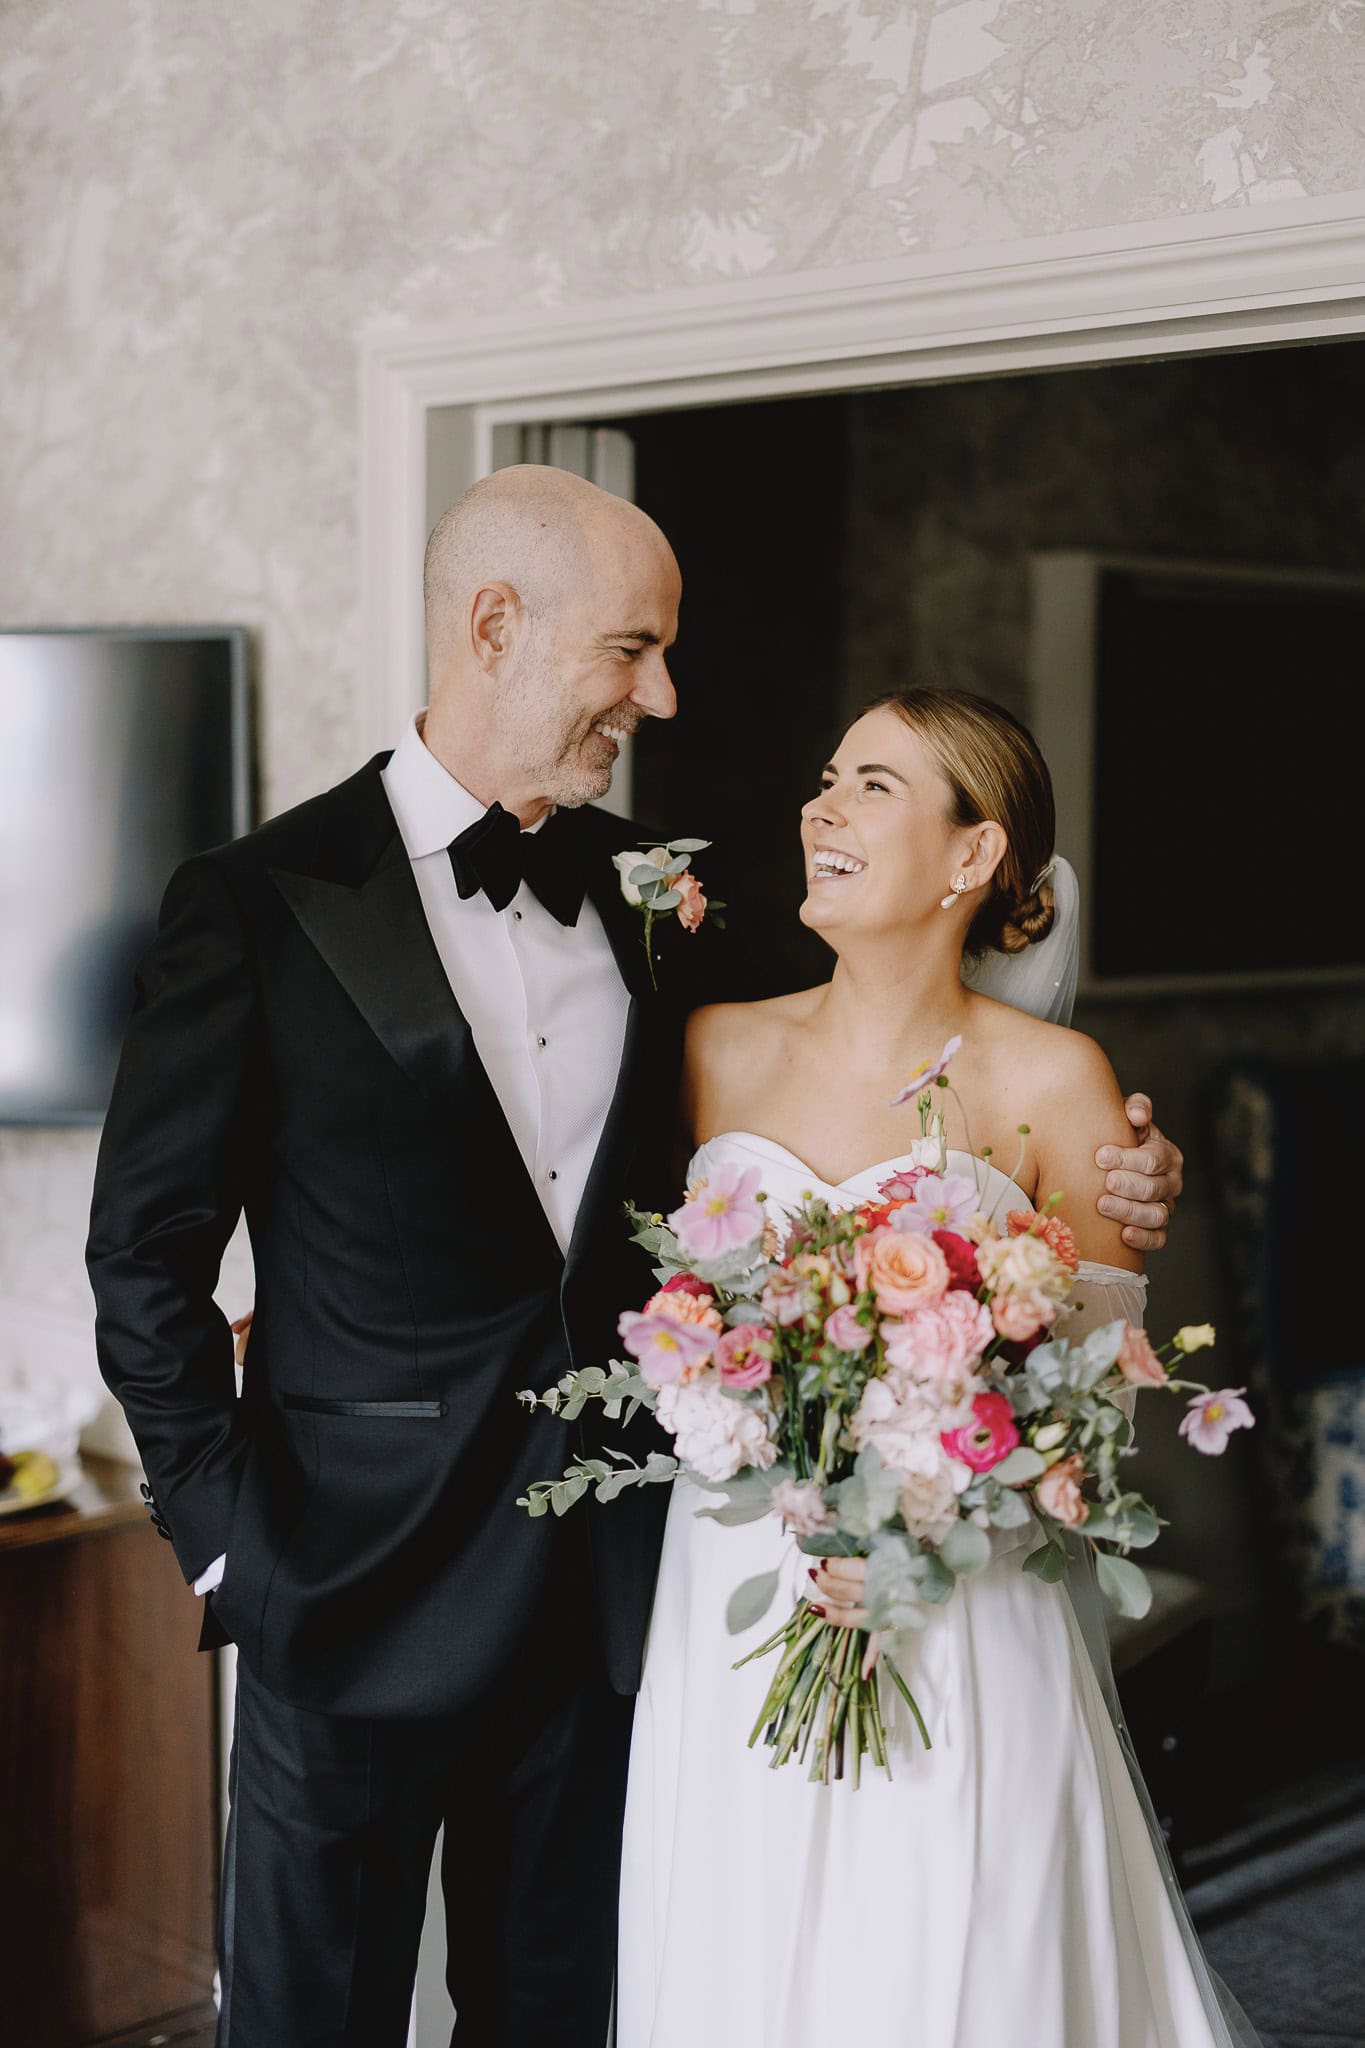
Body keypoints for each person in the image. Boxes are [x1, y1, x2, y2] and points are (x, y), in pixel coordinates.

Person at [86, 470, 1182, 2047]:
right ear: (493, 627)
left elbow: (874, 1086)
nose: (659, 696)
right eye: (631, 651)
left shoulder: (665, 910)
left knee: (562, 2013)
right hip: (343, 1581)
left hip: (613, 1607)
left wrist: (1121, 1169)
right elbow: (144, 1256)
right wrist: (224, 1545)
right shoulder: (257, 903)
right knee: (307, 2018)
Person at [617, 688, 1258, 2048]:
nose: (819, 807)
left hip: (965, 1602)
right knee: (741, 1936)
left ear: (974, 857)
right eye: (824, 777)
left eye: (872, 785)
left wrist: (918, 1517)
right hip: (739, 1575)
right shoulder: (707, 1050)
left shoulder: (1059, 1082)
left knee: (956, 1941)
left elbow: (1090, 1410)